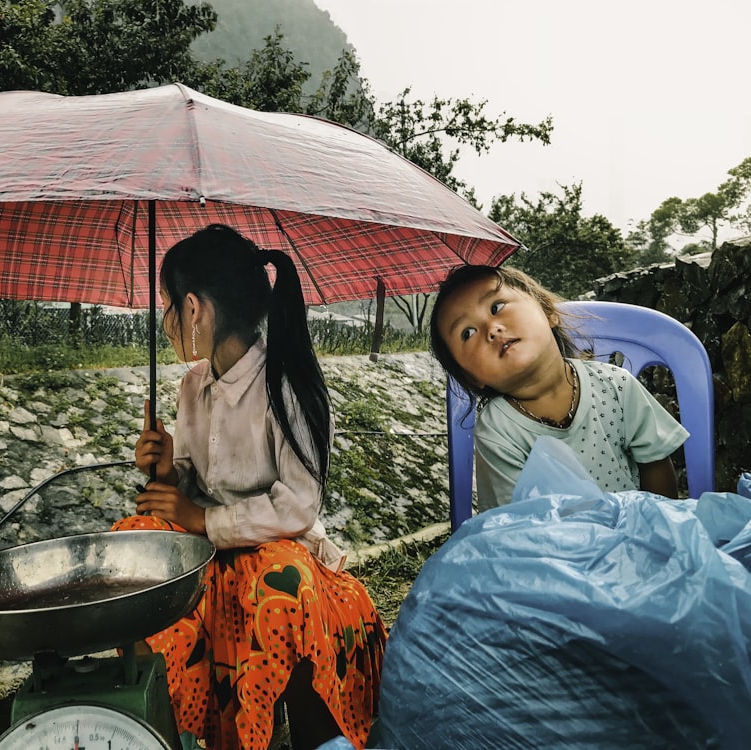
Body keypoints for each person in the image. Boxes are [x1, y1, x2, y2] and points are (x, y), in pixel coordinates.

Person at [113, 224, 386, 750]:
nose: (165, 319)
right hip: (209, 554)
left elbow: (298, 505)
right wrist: (169, 471)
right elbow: (193, 482)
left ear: (195, 309)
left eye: (167, 304)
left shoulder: (287, 385)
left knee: (275, 581)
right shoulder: (193, 386)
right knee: (133, 537)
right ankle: (174, 728)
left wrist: (202, 521)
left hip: (278, 551)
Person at [429, 263, 690, 510]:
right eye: (467, 333)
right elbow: (515, 523)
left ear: (548, 312)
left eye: (496, 307)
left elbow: (655, 466)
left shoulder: (615, 385)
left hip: (638, 536)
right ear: (472, 377)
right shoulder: (498, 429)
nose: (491, 329)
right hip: (556, 551)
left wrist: (658, 536)